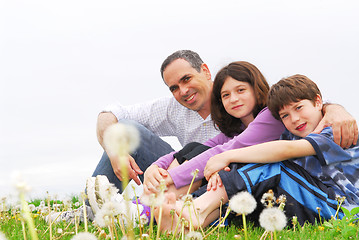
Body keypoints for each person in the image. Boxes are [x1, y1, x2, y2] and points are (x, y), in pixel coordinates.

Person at [92, 49, 358, 192]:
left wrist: (336, 108)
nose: (182, 91)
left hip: (225, 174)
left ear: (205, 71)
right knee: (126, 131)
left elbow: (299, 103)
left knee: (205, 153)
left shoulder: (263, 112)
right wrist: (118, 150)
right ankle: (92, 205)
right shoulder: (176, 109)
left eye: (186, 79)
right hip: (198, 170)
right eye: (173, 87)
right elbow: (110, 112)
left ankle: (161, 208)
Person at [156, 74, 359, 232]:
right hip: (308, 201)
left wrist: (227, 156)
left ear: (317, 102)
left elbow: (286, 151)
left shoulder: (333, 129)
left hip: (340, 208)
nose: (295, 119)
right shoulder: (290, 134)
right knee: (249, 168)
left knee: (271, 165)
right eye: (285, 115)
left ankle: (195, 211)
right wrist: (224, 168)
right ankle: (188, 221)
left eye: (299, 108)